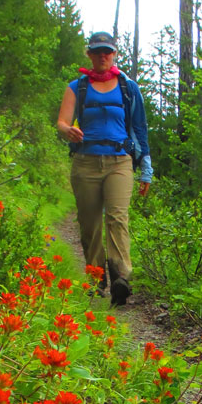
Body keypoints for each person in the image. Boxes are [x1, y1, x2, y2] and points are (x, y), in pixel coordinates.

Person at [57, 31, 153, 306]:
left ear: (114, 54)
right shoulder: (77, 87)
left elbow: (139, 128)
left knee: (117, 218)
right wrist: (69, 130)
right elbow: (62, 122)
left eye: (107, 51)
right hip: (85, 162)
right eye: (97, 51)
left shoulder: (128, 88)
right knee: (90, 224)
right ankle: (96, 277)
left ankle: (120, 278)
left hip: (120, 161)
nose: (102, 55)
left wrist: (145, 167)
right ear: (89, 54)